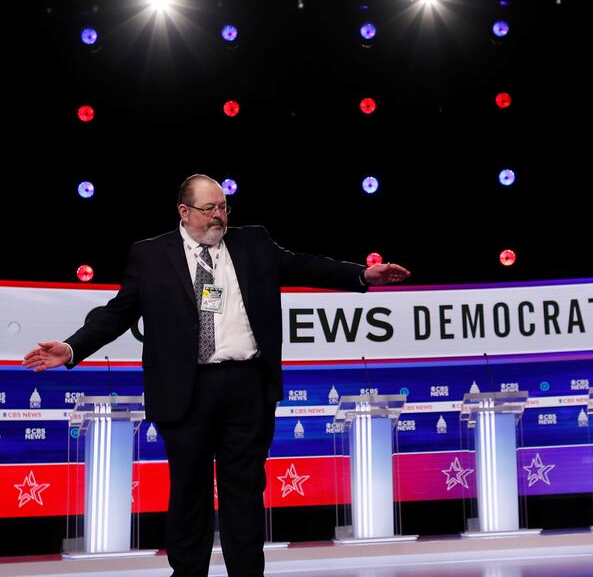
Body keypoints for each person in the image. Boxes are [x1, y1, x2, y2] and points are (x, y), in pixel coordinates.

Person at [23, 174, 409, 577]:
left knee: (243, 495)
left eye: (223, 208)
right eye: (210, 209)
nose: (219, 217)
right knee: (189, 494)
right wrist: (71, 348)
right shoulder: (150, 255)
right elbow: (118, 313)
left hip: (246, 387)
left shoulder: (253, 243)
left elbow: (306, 266)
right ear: (184, 212)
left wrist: (361, 276)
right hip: (185, 391)